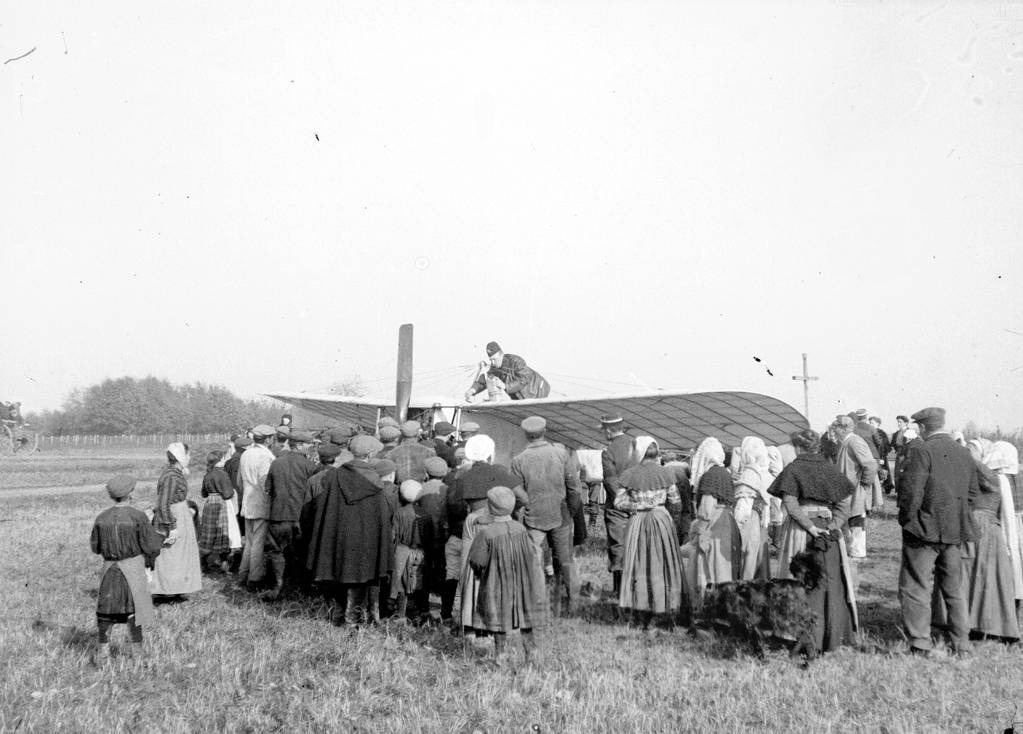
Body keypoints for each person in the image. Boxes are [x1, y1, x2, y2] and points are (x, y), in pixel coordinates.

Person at [767, 429, 857, 653]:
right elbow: (844, 503)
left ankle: (797, 636)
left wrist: (809, 527)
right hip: (828, 532)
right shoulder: (829, 467)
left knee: (799, 582)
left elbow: (790, 503)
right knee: (831, 581)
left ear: (798, 447)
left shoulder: (794, 468)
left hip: (802, 531)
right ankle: (833, 636)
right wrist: (833, 526)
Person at [898, 407, 977, 655]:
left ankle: (920, 643)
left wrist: (907, 520)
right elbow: (973, 494)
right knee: (954, 589)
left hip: (923, 532)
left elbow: (911, 493)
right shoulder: (963, 452)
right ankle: (962, 644)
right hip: (954, 532)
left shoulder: (921, 450)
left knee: (916, 587)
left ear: (922, 427)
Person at [304, 434, 393, 625]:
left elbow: (326, 507)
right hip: (363, 539)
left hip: (336, 535)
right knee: (360, 577)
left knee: (335, 572)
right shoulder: (375, 481)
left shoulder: (333, 476)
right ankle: (352, 620)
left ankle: (336, 615)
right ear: (369, 455)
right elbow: (380, 517)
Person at [939, 440, 1020, 641]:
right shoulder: (994, 476)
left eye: (974, 448)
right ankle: (975, 622)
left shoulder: (992, 475)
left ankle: (978, 623)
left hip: (981, 527)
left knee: (977, 575)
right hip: (979, 527)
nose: (969, 451)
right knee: (979, 575)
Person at [450, 435, 524, 635]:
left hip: (472, 522)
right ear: (490, 454)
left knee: (469, 568)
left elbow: (455, 503)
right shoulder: (499, 473)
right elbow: (524, 497)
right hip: (498, 520)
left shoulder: (463, 475)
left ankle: (468, 621)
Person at [510, 416, 582, 616]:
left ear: (526, 434)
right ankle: (573, 603)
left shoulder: (518, 460)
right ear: (544, 431)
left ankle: (535, 605)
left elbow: (516, 490)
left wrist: (528, 503)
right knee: (566, 560)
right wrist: (571, 511)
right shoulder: (561, 454)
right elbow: (574, 488)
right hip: (560, 514)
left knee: (533, 560)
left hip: (534, 518)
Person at [91, 475, 164, 663]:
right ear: (130, 494)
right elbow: (152, 547)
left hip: (109, 571)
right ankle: (137, 652)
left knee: (105, 612)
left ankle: (103, 652)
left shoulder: (101, 518)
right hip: (132, 569)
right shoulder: (138, 516)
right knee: (134, 611)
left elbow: (96, 547)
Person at [467, 486, 544, 664]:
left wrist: (481, 574)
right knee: (525, 618)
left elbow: (477, 561)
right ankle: (531, 652)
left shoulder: (486, 533)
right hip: (523, 584)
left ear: (491, 507)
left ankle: (501, 654)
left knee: (498, 619)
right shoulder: (521, 529)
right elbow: (532, 555)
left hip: (497, 585)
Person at [613, 436, 685, 628]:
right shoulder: (666, 473)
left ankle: (640, 610)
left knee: (639, 564)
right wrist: (670, 518)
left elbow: (618, 502)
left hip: (638, 521)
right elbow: (676, 502)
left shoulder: (629, 474)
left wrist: (636, 505)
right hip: (661, 520)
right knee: (662, 564)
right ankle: (663, 609)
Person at [680, 437, 740, 615]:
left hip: (713, 522)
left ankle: (706, 608)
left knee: (707, 566)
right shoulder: (725, 473)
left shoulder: (710, 476)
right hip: (726, 521)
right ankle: (724, 606)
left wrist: (699, 531)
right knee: (723, 567)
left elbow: (707, 506)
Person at [264, 430, 320, 599]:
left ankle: (279, 585)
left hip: (277, 515)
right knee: (300, 552)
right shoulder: (310, 466)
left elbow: (268, 488)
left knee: (276, 552)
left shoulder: (276, 463)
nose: (311, 447)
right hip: (298, 517)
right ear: (300, 445)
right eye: (309, 444)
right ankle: (298, 587)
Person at [150, 442, 201, 599]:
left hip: (179, 513)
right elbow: (164, 502)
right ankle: (167, 591)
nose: (189, 457)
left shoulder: (174, 473)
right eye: (187, 454)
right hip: (174, 516)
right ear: (180, 456)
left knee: (178, 554)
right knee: (172, 554)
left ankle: (175, 589)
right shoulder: (171, 476)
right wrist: (171, 526)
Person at [599, 414, 638, 597]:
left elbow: (610, 481)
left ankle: (619, 591)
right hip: (639, 503)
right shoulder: (636, 445)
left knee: (618, 545)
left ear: (608, 430)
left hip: (618, 508)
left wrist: (623, 502)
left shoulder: (608, 451)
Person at [831, 415, 879, 561]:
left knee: (856, 519)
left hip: (856, 488)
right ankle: (852, 551)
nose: (834, 430)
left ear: (843, 428)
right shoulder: (845, 442)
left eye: (836, 427)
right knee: (849, 518)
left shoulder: (855, 442)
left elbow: (870, 465)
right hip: (848, 489)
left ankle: (858, 553)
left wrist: (864, 484)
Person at [237, 425, 277, 590]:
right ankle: (255, 579)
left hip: (247, 503)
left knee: (250, 542)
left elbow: (239, 481)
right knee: (258, 543)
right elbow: (265, 483)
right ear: (268, 439)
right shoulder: (266, 456)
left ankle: (243, 574)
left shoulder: (245, 454)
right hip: (261, 504)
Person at [731, 436, 772, 580]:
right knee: (758, 555)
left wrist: (738, 523)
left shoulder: (750, 473)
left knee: (747, 555)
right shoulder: (764, 472)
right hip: (761, 518)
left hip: (750, 516)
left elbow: (744, 503)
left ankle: (745, 587)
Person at [464, 341, 551, 401]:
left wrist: (505, 386)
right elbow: (485, 381)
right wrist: (472, 390)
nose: (492, 362)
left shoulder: (516, 361)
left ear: (501, 355)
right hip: (522, 398)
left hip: (538, 389)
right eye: (490, 360)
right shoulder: (495, 368)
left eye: (494, 359)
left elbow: (524, 379)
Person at [391, 480, 427, 622]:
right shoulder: (425, 514)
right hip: (419, 552)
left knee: (400, 582)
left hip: (402, 550)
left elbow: (393, 535)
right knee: (418, 580)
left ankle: (400, 614)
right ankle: (417, 613)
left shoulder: (399, 513)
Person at [199, 449, 236, 573]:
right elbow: (228, 493)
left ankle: (203, 563)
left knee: (208, 533)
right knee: (222, 532)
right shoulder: (222, 474)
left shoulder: (208, 474)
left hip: (209, 503)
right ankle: (224, 564)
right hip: (220, 503)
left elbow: (203, 493)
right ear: (220, 459)